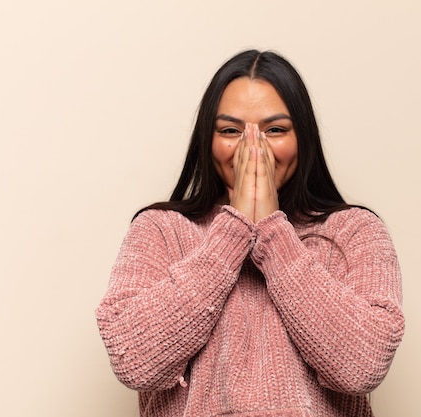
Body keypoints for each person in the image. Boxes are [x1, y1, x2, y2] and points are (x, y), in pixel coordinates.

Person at [96, 49, 404, 417]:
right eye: (230, 130)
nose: (252, 148)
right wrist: (234, 230)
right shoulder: (159, 229)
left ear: (302, 138)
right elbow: (135, 360)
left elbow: (362, 367)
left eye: (274, 130)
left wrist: (273, 233)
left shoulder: (354, 231)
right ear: (207, 142)